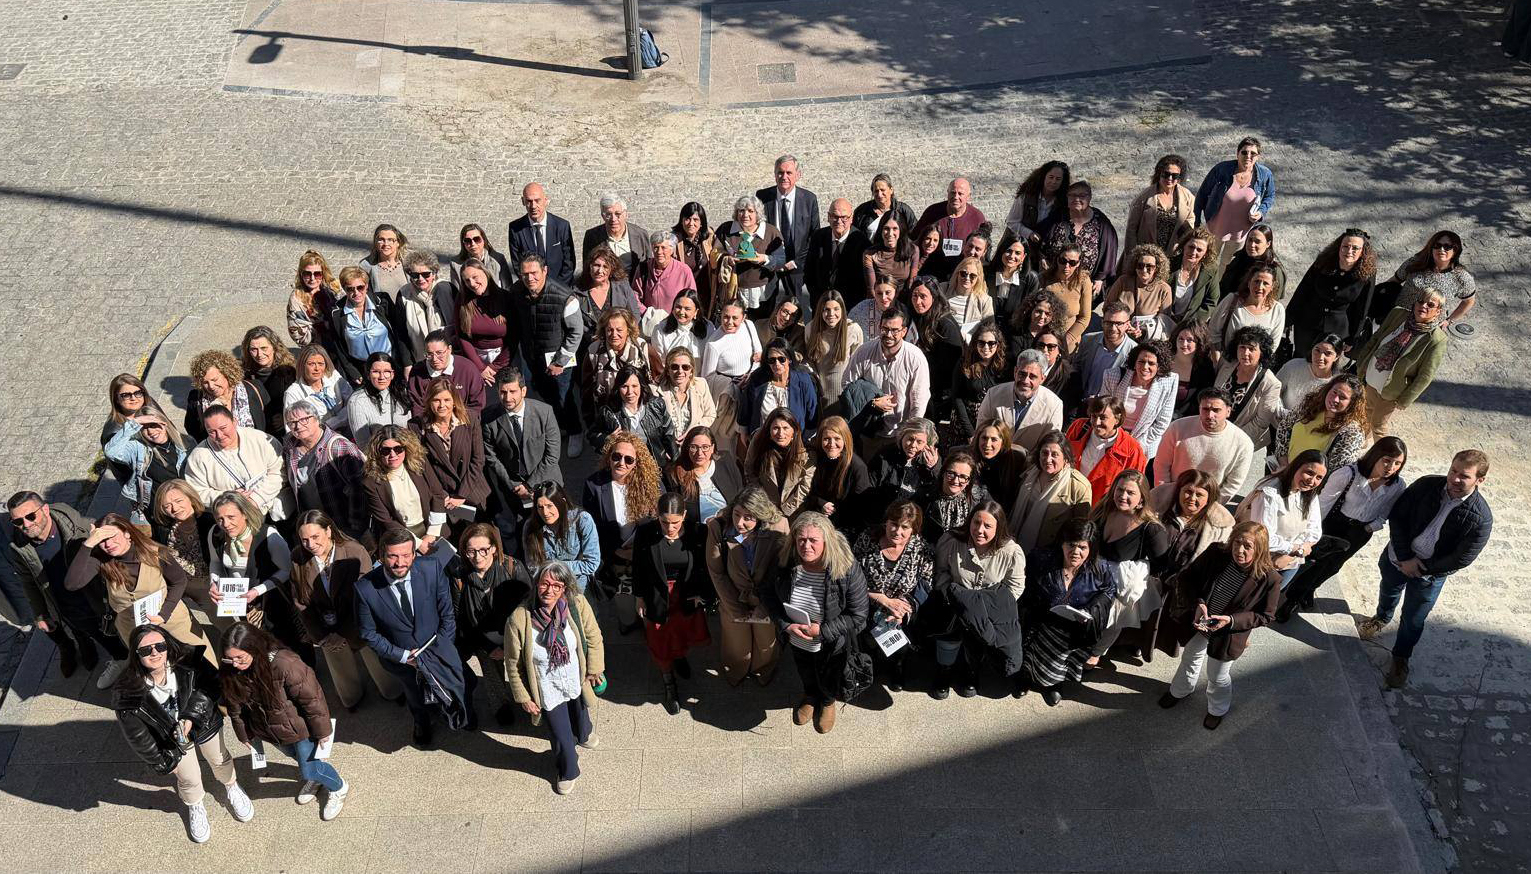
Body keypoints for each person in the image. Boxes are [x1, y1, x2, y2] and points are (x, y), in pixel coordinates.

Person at [1358, 449, 1493, 688]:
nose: (1455, 479)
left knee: (1413, 619)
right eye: (1453, 471)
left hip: (1429, 576)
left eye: (1464, 476)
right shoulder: (1427, 485)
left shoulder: (1481, 518)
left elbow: (1462, 557)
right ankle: (1381, 617)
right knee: (1389, 589)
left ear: (1479, 480)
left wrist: (1422, 568)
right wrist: (1406, 557)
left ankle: (1400, 658)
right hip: (1397, 558)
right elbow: (1398, 516)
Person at [113, 624, 251, 843]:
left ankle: (231, 786)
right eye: (146, 650)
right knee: (188, 777)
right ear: (136, 655)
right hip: (170, 740)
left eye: (160, 646)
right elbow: (139, 738)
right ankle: (195, 805)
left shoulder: (190, 659)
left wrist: (191, 716)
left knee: (219, 758)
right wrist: (164, 762)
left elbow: (212, 685)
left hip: (203, 722)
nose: (155, 652)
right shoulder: (126, 692)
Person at [1156, 521, 1280, 729]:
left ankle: (1217, 709)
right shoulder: (1216, 553)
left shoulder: (1270, 579)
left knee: (1217, 676)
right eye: (1237, 542)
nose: (1239, 550)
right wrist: (1199, 603)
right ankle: (1180, 690)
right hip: (1201, 622)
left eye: (1248, 546)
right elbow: (1188, 577)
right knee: (1190, 657)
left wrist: (1230, 621)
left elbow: (1266, 615)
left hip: (1228, 634)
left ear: (1259, 550)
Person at [218, 622, 348, 818]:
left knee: (309, 768)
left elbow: (312, 699)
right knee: (297, 757)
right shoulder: (232, 668)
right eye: (230, 659)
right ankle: (315, 774)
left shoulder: (285, 663)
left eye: (239, 658)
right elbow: (234, 704)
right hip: (269, 730)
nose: (235, 664)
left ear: (254, 647)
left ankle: (338, 787)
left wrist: (323, 732)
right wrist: (243, 733)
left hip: (301, 729)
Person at [355, 528, 471, 745]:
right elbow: (368, 633)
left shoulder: (432, 568)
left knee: (456, 683)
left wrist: (443, 646)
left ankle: (458, 712)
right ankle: (421, 721)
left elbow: (447, 612)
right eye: (393, 556)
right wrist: (403, 656)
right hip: (403, 661)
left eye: (406, 555)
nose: (400, 562)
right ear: (381, 556)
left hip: (437, 649)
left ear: (414, 555)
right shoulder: (365, 589)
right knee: (415, 694)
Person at [760, 512, 869, 733]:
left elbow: (858, 614)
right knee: (805, 670)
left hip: (832, 643)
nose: (806, 546)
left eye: (813, 541)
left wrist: (823, 631)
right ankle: (810, 695)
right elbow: (767, 593)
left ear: (826, 540)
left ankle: (828, 702)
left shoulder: (846, 567)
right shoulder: (785, 559)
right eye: (801, 539)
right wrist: (785, 625)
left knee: (830, 674)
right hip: (798, 638)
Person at [1278, 437, 1408, 622]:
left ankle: (1308, 590)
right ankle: (1292, 599)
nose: (1391, 467)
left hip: (1360, 532)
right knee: (1314, 563)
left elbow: (1386, 512)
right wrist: (1310, 533)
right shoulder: (1349, 474)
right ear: (1376, 456)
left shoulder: (1397, 485)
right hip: (1334, 525)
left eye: (1397, 463)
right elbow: (1321, 505)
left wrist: (1370, 527)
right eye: (1387, 460)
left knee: (1333, 567)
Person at [504, 560, 605, 794]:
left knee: (580, 710)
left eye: (557, 586)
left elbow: (593, 635)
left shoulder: (576, 604)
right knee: (560, 733)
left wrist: (594, 667)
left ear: (565, 589)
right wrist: (523, 696)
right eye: (544, 584)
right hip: (546, 685)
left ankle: (584, 733)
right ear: (536, 584)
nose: (550, 590)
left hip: (574, 675)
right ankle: (567, 769)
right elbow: (512, 662)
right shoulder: (519, 618)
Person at [7, 491, 127, 685]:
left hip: (97, 595)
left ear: (44, 509)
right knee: (99, 635)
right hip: (67, 604)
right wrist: (40, 613)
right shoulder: (19, 546)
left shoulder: (77, 526)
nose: (26, 525)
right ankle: (118, 659)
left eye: (30, 516)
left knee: (122, 629)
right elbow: (28, 581)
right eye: (18, 522)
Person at [290, 510, 406, 711]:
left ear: (328, 531)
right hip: (325, 625)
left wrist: (342, 632)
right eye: (305, 539)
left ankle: (392, 690)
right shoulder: (298, 557)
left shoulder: (354, 551)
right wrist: (322, 635)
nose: (310, 544)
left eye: (315, 537)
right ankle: (352, 697)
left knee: (376, 659)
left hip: (359, 620)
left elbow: (364, 597)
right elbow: (301, 601)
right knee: (338, 662)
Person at [65, 513, 217, 660]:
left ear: (127, 533)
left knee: (202, 661)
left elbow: (179, 582)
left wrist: (163, 614)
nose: (108, 544)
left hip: (169, 617)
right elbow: (72, 584)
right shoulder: (101, 560)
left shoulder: (155, 552)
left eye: (112, 536)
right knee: (156, 672)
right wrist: (88, 544)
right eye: (102, 540)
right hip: (134, 629)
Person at [927, 500, 1027, 698]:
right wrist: (952, 594)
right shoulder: (952, 540)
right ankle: (944, 671)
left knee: (982, 638)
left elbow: (1016, 585)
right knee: (949, 634)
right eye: (976, 523)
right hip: (955, 600)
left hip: (990, 608)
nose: (980, 530)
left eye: (988, 526)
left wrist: (992, 605)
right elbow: (940, 572)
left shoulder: (1011, 551)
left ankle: (972, 672)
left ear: (998, 528)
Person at [1020, 519, 1119, 705]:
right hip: (1040, 625)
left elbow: (1109, 591)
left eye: (1082, 547)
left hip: (1073, 630)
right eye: (1071, 545)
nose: (1076, 552)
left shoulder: (1099, 568)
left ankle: (1053, 685)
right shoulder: (1041, 559)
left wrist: (1091, 610)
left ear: (1091, 548)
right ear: (1061, 543)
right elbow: (1025, 588)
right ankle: (1025, 679)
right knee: (1030, 659)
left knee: (1059, 665)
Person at [631, 493, 711, 715]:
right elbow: (637, 565)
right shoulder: (646, 532)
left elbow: (707, 566)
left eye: (675, 522)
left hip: (685, 595)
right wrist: (639, 597)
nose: (670, 527)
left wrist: (703, 594)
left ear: (684, 515)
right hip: (657, 595)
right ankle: (669, 683)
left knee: (681, 632)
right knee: (659, 639)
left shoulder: (698, 532)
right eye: (664, 522)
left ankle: (680, 656)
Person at [447, 522, 531, 725]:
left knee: (526, 671)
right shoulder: (460, 577)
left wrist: (510, 645)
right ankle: (501, 706)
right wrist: (489, 646)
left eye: (483, 550)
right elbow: (462, 617)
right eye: (471, 551)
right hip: (483, 639)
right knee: (493, 676)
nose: (477, 557)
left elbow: (527, 608)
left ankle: (531, 700)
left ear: (494, 548)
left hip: (515, 636)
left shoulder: (512, 567)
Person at [705, 487, 790, 685]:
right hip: (732, 596)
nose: (740, 523)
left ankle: (763, 671)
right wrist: (735, 607)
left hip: (766, 597)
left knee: (766, 642)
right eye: (736, 514)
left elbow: (781, 570)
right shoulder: (719, 527)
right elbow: (716, 571)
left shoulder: (779, 526)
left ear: (761, 517)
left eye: (748, 517)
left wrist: (765, 605)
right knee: (737, 643)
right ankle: (736, 671)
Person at [1086, 470, 1171, 666]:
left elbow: (1161, 565)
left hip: (1119, 590)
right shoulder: (1103, 511)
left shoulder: (1151, 529)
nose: (1123, 496)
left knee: (1111, 622)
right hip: (1091, 577)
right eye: (1120, 490)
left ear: (1142, 499)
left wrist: (1133, 571)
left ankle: (1095, 655)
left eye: (1130, 493)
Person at [1148, 471, 1235, 659]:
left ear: (1209, 499)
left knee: (1166, 625)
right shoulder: (1162, 512)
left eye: (1199, 495)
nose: (1192, 498)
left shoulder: (1217, 527)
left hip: (1182, 587)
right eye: (1188, 491)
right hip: (1150, 578)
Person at [206, 491, 305, 657]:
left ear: (244, 514)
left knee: (287, 648)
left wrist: (257, 591)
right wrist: (213, 583)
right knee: (259, 649)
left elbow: (287, 570)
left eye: (231, 517)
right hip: (241, 605)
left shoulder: (268, 536)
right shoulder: (215, 535)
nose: (226, 524)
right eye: (220, 519)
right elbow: (215, 563)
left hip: (272, 603)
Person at [582, 431, 662, 631]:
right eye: (616, 456)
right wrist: (616, 551)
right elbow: (591, 528)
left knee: (649, 609)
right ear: (609, 457)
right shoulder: (594, 485)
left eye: (629, 459)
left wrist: (639, 549)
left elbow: (660, 523)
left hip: (645, 557)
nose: (621, 463)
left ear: (637, 462)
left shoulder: (650, 486)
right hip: (617, 560)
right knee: (626, 614)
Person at [852, 499, 934, 690]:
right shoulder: (867, 539)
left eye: (905, 527)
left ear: (914, 529)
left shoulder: (921, 549)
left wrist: (904, 607)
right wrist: (881, 599)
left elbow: (926, 581)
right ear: (886, 522)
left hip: (902, 608)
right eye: (894, 524)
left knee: (901, 639)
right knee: (866, 641)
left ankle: (898, 665)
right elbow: (850, 576)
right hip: (867, 602)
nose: (897, 531)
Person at [509, 253, 584, 457]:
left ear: (545, 271)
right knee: (544, 394)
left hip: (560, 360)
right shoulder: (517, 292)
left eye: (534, 273)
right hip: (533, 358)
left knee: (564, 397)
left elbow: (575, 332)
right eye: (525, 274)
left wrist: (560, 361)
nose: (529, 278)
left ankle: (576, 431)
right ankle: (560, 426)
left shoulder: (564, 297)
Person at [1351, 294, 1450, 438]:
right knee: (1365, 412)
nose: (1423, 306)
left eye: (1430, 305)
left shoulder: (1436, 339)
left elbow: (1425, 375)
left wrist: (1406, 399)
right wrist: (1362, 363)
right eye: (1421, 301)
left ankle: (1384, 455)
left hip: (1393, 389)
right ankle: (1361, 441)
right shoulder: (1398, 314)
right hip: (1372, 375)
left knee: (1378, 424)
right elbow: (1376, 338)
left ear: (1438, 311)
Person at [482, 368, 562, 529]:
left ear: (523, 391)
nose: (508, 397)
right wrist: (513, 485)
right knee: (525, 525)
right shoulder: (488, 418)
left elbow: (552, 455)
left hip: (547, 483)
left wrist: (529, 485)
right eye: (503, 392)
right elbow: (491, 457)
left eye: (513, 391)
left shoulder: (544, 412)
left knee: (555, 524)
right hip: (514, 489)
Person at [1235, 450, 1326, 589]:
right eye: (1309, 473)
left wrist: (1292, 555)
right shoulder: (1270, 492)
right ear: (1296, 467)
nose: (1312, 481)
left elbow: (1314, 532)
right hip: (1257, 563)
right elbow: (1264, 537)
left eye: (1319, 478)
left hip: (1289, 563)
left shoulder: (1309, 494)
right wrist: (1296, 549)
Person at [183, 407, 290, 523]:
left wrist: (256, 499)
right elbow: (197, 492)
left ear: (234, 422)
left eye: (223, 428)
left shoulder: (259, 439)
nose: (219, 435)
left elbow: (279, 471)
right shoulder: (198, 456)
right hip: (233, 520)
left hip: (273, 511)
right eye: (212, 432)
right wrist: (229, 498)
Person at [281, 401, 369, 541]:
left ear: (317, 419)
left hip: (342, 526)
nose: (298, 426)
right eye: (292, 422)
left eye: (304, 419)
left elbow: (359, 488)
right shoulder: (290, 447)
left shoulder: (339, 447)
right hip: (312, 528)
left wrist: (355, 527)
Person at [1213, 326, 1284, 491]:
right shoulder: (1227, 366)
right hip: (1214, 429)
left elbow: (1260, 423)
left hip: (1238, 438)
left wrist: (1230, 441)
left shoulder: (1271, 383)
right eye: (1242, 347)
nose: (1245, 353)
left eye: (1252, 349)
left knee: (1221, 481)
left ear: (1262, 353)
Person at [841, 306, 930, 437]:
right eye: (885, 329)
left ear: (904, 331)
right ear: (879, 327)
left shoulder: (915, 358)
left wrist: (909, 434)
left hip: (900, 433)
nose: (889, 335)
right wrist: (871, 402)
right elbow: (847, 385)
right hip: (868, 430)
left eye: (894, 330)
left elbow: (919, 400)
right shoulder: (864, 352)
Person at [1287, 229, 1377, 358]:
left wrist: (1353, 337)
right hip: (1308, 322)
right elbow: (1303, 290)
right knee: (1300, 358)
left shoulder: (1367, 275)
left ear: (1362, 251)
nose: (1349, 251)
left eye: (1355, 248)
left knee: (1324, 363)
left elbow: (1362, 309)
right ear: (1339, 247)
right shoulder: (1323, 262)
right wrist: (1288, 318)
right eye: (1345, 246)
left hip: (1336, 329)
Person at [1154, 389, 1254, 498]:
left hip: (1210, 504)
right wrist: (1166, 496)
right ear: (1199, 409)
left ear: (1228, 411)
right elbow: (1161, 465)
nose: (1210, 415)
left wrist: (1213, 507)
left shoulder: (1243, 443)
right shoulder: (1177, 428)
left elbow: (1233, 484)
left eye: (1216, 410)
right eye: (1205, 409)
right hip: (1173, 496)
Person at [412, 380, 490, 520]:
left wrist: (461, 494)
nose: (442, 405)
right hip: (442, 497)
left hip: (472, 492)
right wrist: (442, 495)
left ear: (454, 401)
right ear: (429, 401)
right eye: (436, 400)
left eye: (447, 400)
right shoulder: (417, 426)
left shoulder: (469, 418)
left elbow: (478, 460)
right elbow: (423, 467)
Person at [361, 425, 446, 551]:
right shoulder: (370, 482)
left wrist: (432, 534)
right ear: (377, 453)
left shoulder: (419, 464)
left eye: (398, 449)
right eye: (386, 451)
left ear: (406, 448)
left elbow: (438, 495)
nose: (393, 455)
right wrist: (417, 544)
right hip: (400, 539)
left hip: (433, 530)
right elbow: (387, 521)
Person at [104, 408, 191, 529]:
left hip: (188, 505)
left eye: (154, 425)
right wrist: (135, 422)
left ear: (164, 423)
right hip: (161, 511)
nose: (151, 431)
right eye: (144, 428)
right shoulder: (139, 449)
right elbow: (111, 452)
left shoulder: (186, 442)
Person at [1194, 137, 1275, 266]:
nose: (1248, 156)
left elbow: (1269, 196)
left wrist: (1260, 212)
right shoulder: (1221, 170)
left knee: (1227, 265)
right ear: (1237, 154)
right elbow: (1202, 194)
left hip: (1240, 234)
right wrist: (1196, 222)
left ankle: (1220, 286)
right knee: (1207, 262)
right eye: (1244, 152)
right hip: (1215, 228)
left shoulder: (1265, 175)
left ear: (1258, 156)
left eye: (1253, 153)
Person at [1010, 429, 1093, 554]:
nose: (1048, 459)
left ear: (1066, 458)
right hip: (1014, 544)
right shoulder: (1029, 471)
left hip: (1047, 553)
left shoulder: (1079, 486)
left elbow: (1079, 530)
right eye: (1044, 453)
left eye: (1055, 454)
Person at [1038, 180, 1120, 298]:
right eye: (1072, 195)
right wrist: (1042, 257)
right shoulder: (1059, 216)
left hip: (1084, 283)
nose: (1076, 199)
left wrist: (1100, 278)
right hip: (1055, 280)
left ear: (1089, 198)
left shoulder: (1100, 222)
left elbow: (1110, 250)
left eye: (1082, 195)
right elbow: (1040, 237)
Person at [153, 481, 218, 629]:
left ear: (191, 498)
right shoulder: (163, 529)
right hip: (182, 584)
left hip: (210, 583)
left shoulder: (210, 521)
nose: (174, 508)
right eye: (167, 506)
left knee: (221, 621)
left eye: (178, 501)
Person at [756, 154, 821, 302]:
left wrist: (797, 262)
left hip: (796, 265)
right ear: (775, 175)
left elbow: (814, 236)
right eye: (780, 172)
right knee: (766, 307)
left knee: (796, 309)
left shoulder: (809, 200)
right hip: (769, 263)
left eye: (789, 173)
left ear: (798, 175)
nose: (784, 176)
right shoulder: (762, 197)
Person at [1099, 340, 1178, 459]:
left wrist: (1135, 444)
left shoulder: (1169, 382)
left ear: (1159, 366)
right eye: (1141, 361)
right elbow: (1102, 411)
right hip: (1110, 438)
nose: (1145, 367)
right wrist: (1116, 437)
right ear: (1135, 362)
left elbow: (1161, 423)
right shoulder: (1113, 376)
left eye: (1151, 363)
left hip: (1142, 445)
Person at [975, 349, 1064, 453]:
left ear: (1042, 378)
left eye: (1032, 376)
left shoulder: (1054, 405)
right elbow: (980, 434)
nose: (1026, 381)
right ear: (1015, 372)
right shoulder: (993, 395)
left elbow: (1049, 446)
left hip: (1029, 465)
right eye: (1022, 374)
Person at [1271, 374, 1368, 470]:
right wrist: (1284, 465)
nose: (1335, 399)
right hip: (1283, 469)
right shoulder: (1309, 406)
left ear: (1352, 403)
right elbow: (1284, 427)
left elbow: (1336, 471)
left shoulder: (1352, 433)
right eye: (1334, 392)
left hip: (1310, 483)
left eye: (1342, 397)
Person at [328, 267, 406, 383]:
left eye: (360, 287)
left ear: (367, 286)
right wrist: (352, 372)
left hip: (390, 365)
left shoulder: (382, 302)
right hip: (362, 370)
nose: (356, 293)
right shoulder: (337, 314)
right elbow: (339, 347)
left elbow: (400, 333)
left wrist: (404, 363)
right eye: (350, 289)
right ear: (344, 289)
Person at [1064, 395, 1148, 503]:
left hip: (1097, 508)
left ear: (1117, 419)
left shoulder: (1132, 451)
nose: (1096, 422)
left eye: (1103, 417)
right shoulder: (1079, 427)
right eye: (1094, 416)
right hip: (1066, 497)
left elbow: (1133, 489)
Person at [1387, 230, 1477, 330]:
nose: (1441, 249)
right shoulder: (1415, 263)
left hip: (1427, 329)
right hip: (1398, 318)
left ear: (1455, 250)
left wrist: (1449, 320)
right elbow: (1394, 281)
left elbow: (1469, 301)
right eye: (1437, 245)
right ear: (1431, 248)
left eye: (1447, 246)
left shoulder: (1461, 277)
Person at [523, 482, 602, 594]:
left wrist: (553, 567)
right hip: (548, 591)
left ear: (562, 503)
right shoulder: (530, 526)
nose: (545, 512)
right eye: (540, 507)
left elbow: (592, 563)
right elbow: (532, 566)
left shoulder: (582, 520)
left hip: (578, 589)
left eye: (549, 506)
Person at [587, 364, 674, 466]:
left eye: (634, 386)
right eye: (624, 386)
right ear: (618, 388)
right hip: (624, 466)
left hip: (655, 465)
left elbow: (669, 432)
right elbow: (592, 435)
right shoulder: (608, 412)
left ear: (641, 386)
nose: (630, 392)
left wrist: (672, 456)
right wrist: (608, 439)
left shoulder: (657, 405)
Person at [715, 194, 786, 317]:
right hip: (733, 290)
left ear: (758, 214)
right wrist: (726, 258)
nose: (745, 215)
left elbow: (781, 260)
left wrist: (764, 259)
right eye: (741, 211)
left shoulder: (771, 232)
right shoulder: (725, 229)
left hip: (763, 293)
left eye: (750, 211)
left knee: (760, 326)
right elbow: (715, 251)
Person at [1122, 154, 1195, 267]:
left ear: (1179, 178)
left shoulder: (1187, 197)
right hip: (1147, 256)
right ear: (1159, 173)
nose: (1169, 179)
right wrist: (1132, 257)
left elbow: (1190, 220)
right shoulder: (1144, 198)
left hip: (1173, 255)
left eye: (1174, 176)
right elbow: (1132, 229)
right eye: (1166, 174)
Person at [802, 416, 871, 534]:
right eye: (826, 439)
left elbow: (862, 505)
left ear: (845, 439)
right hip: (817, 519)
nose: (831, 444)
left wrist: (836, 510)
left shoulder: (857, 467)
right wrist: (820, 503)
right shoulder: (815, 459)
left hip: (845, 527)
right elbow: (808, 492)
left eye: (837, 438)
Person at [912, 177, 989, 281]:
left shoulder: (977, 217)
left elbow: (984, 248)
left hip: (962, 273)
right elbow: (915, 239)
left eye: (960, 194)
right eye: (953, 193)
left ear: (968, 196)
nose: (956, 197)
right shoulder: (932, 212)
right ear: (947, 193)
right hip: (931, 270)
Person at [744, 408, 816, 518]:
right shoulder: (759, 443)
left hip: (795, 510)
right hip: (765, 508)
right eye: (776, 428)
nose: (780, 433)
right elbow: (750, 471)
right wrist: (765, 505)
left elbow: (805, 486)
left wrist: (786, 511)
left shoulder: (806, 453)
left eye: (785, 428)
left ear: (794, 430)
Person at [946, 320, 1009, 446]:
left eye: (991, 343)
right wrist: (970, 432)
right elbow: (957, 397)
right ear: (975, 343)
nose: (986, 348)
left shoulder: (1004, 366)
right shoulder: (965, 363)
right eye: (981, 343)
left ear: (998, 345)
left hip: (993, 418)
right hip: (966, 420)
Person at [103, 373, 175, 482]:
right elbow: (120, 469)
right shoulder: (113, 430)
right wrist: (135, 423)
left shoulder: (148, 405)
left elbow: (170, 428)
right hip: (149, 481)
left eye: (137, 393)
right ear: (116, 398)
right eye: (126, 395)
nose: (134, 398)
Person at [183, 350, 268, 442]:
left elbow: (268, 417)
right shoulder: (196, 399)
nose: (211, 386)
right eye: (205, 382)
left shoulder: (253, 389)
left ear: (227, 373)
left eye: (215, 379)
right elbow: (192, 429)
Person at [739, 338, 819, 436]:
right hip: (763, 442)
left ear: (789, 359)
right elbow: (746, 412)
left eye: (781, 359)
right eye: (772, 360)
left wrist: (804, 443)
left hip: (794, 443)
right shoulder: (757, 380)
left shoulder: (803, 380)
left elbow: (812, 416)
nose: (777, 364)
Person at [1208, 266, 1286, 363]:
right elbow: (1213, 331)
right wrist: (1217, 360)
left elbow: (1272, 346)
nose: (1260, 287)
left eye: (1265, 283)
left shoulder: (1277, 310)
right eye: (1256, 281)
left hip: (1253, 368)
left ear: (1272, 287)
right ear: (1249, 282)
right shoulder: (1232, 300)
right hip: (1226, 363)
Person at [454, 257, 515, 384]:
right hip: (476, 358)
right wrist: (480, 367)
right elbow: (462, 336)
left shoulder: (505, 298)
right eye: (467, 280)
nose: (472, 283)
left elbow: (513, 337)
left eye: (475, 277)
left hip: (504, 357)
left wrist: (495, 366)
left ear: (486, 273)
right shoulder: (463, 301)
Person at [395, 248, 457, 364]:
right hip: (420, 359)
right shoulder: (404, 294)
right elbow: (401, 333)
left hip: (450, 359)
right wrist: (407, 364)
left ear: (434, 273)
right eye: (415, 275)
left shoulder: (447, 289)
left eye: (426, 274)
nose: (420, 279)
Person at [803, 290, 863, 409]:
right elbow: (808, 359)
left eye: (836, 309)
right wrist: (814, 378)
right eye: (826, 309)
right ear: (820, 310)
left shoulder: (853, 329)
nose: (831, 313)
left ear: (842, 310)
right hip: (820, 390)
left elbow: (858, 363)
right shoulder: (810, 328)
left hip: (844, 391)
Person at [908, 277, 967, 398]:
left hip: (937, 392)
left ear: (934, 297)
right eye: (914, 296)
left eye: (923, 296)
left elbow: (950, 367)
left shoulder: (945, 325)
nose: (918, 301)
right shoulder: (915, 317)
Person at [508, 181, 577, 286]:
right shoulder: (516, 229)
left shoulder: (562, 226)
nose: (533, 206)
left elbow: (569, 262)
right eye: (529, 201)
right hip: (531, 289)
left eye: (537, 200)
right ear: (523, 201)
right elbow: (517, 264)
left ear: (545, 200)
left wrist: (556, 288)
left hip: (559, 289)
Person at [406, 330, 487, 418]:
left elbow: (477, 405)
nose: (434, 359)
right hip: (430, 424)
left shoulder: (467, 369)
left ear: (449, 349)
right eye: (429, 354)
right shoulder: (417, 373)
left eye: (439, 353)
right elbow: (417, 408)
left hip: (463, 422)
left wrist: (460, 424)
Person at [575, 246, 644, 346]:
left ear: (612, 269)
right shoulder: (578, 291)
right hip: (588, 347)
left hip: (621, 344)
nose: (600, 270)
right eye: (596, 265)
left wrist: (624, 335)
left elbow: (635, 315)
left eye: (605, 266)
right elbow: (575, 323)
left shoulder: (622, 287)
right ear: (589, 266)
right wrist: (592, 337)